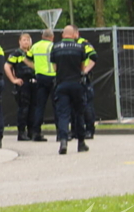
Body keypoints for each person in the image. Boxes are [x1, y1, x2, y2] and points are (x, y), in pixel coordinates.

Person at [50, 25, 96, 155]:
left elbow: (54, 68)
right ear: (74, 34)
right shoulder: (80, 47)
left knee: (63, 114)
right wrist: (83, 72)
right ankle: (81, 143)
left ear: (63, 35)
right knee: (79, 113)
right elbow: (83, 66)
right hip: (77, 84)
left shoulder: (55, 47)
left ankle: (63, 141)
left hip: (62, 84)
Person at [26, 29, 56, 142]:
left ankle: (36, 133)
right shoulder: (53, 46)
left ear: (42, 36)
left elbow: (26, 59)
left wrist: (35, 67)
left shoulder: (35, 46)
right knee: (57, 106)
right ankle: (61, 133)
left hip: (40, 77)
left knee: (39, 107)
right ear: (52, 37)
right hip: (52, 77)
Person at [5, 33, 36, 141]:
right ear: (19, 41)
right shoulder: (16, 54)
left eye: (28, 40)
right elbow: (7, 66)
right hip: (23, 83)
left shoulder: (33, 53)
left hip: (34, 83)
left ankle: (32, 131)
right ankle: (22, 132)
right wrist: (13, 79)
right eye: (24, 40)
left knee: (33, 108)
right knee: (24, 108)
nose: (26, 42)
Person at [76, 30, 97, 139]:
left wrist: (85, 71)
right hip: (74, 79)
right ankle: (77, 130)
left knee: (87, 104)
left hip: (84, 79)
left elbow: (94, 57)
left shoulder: (84, 44)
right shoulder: (72, 44)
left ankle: (89, 130)